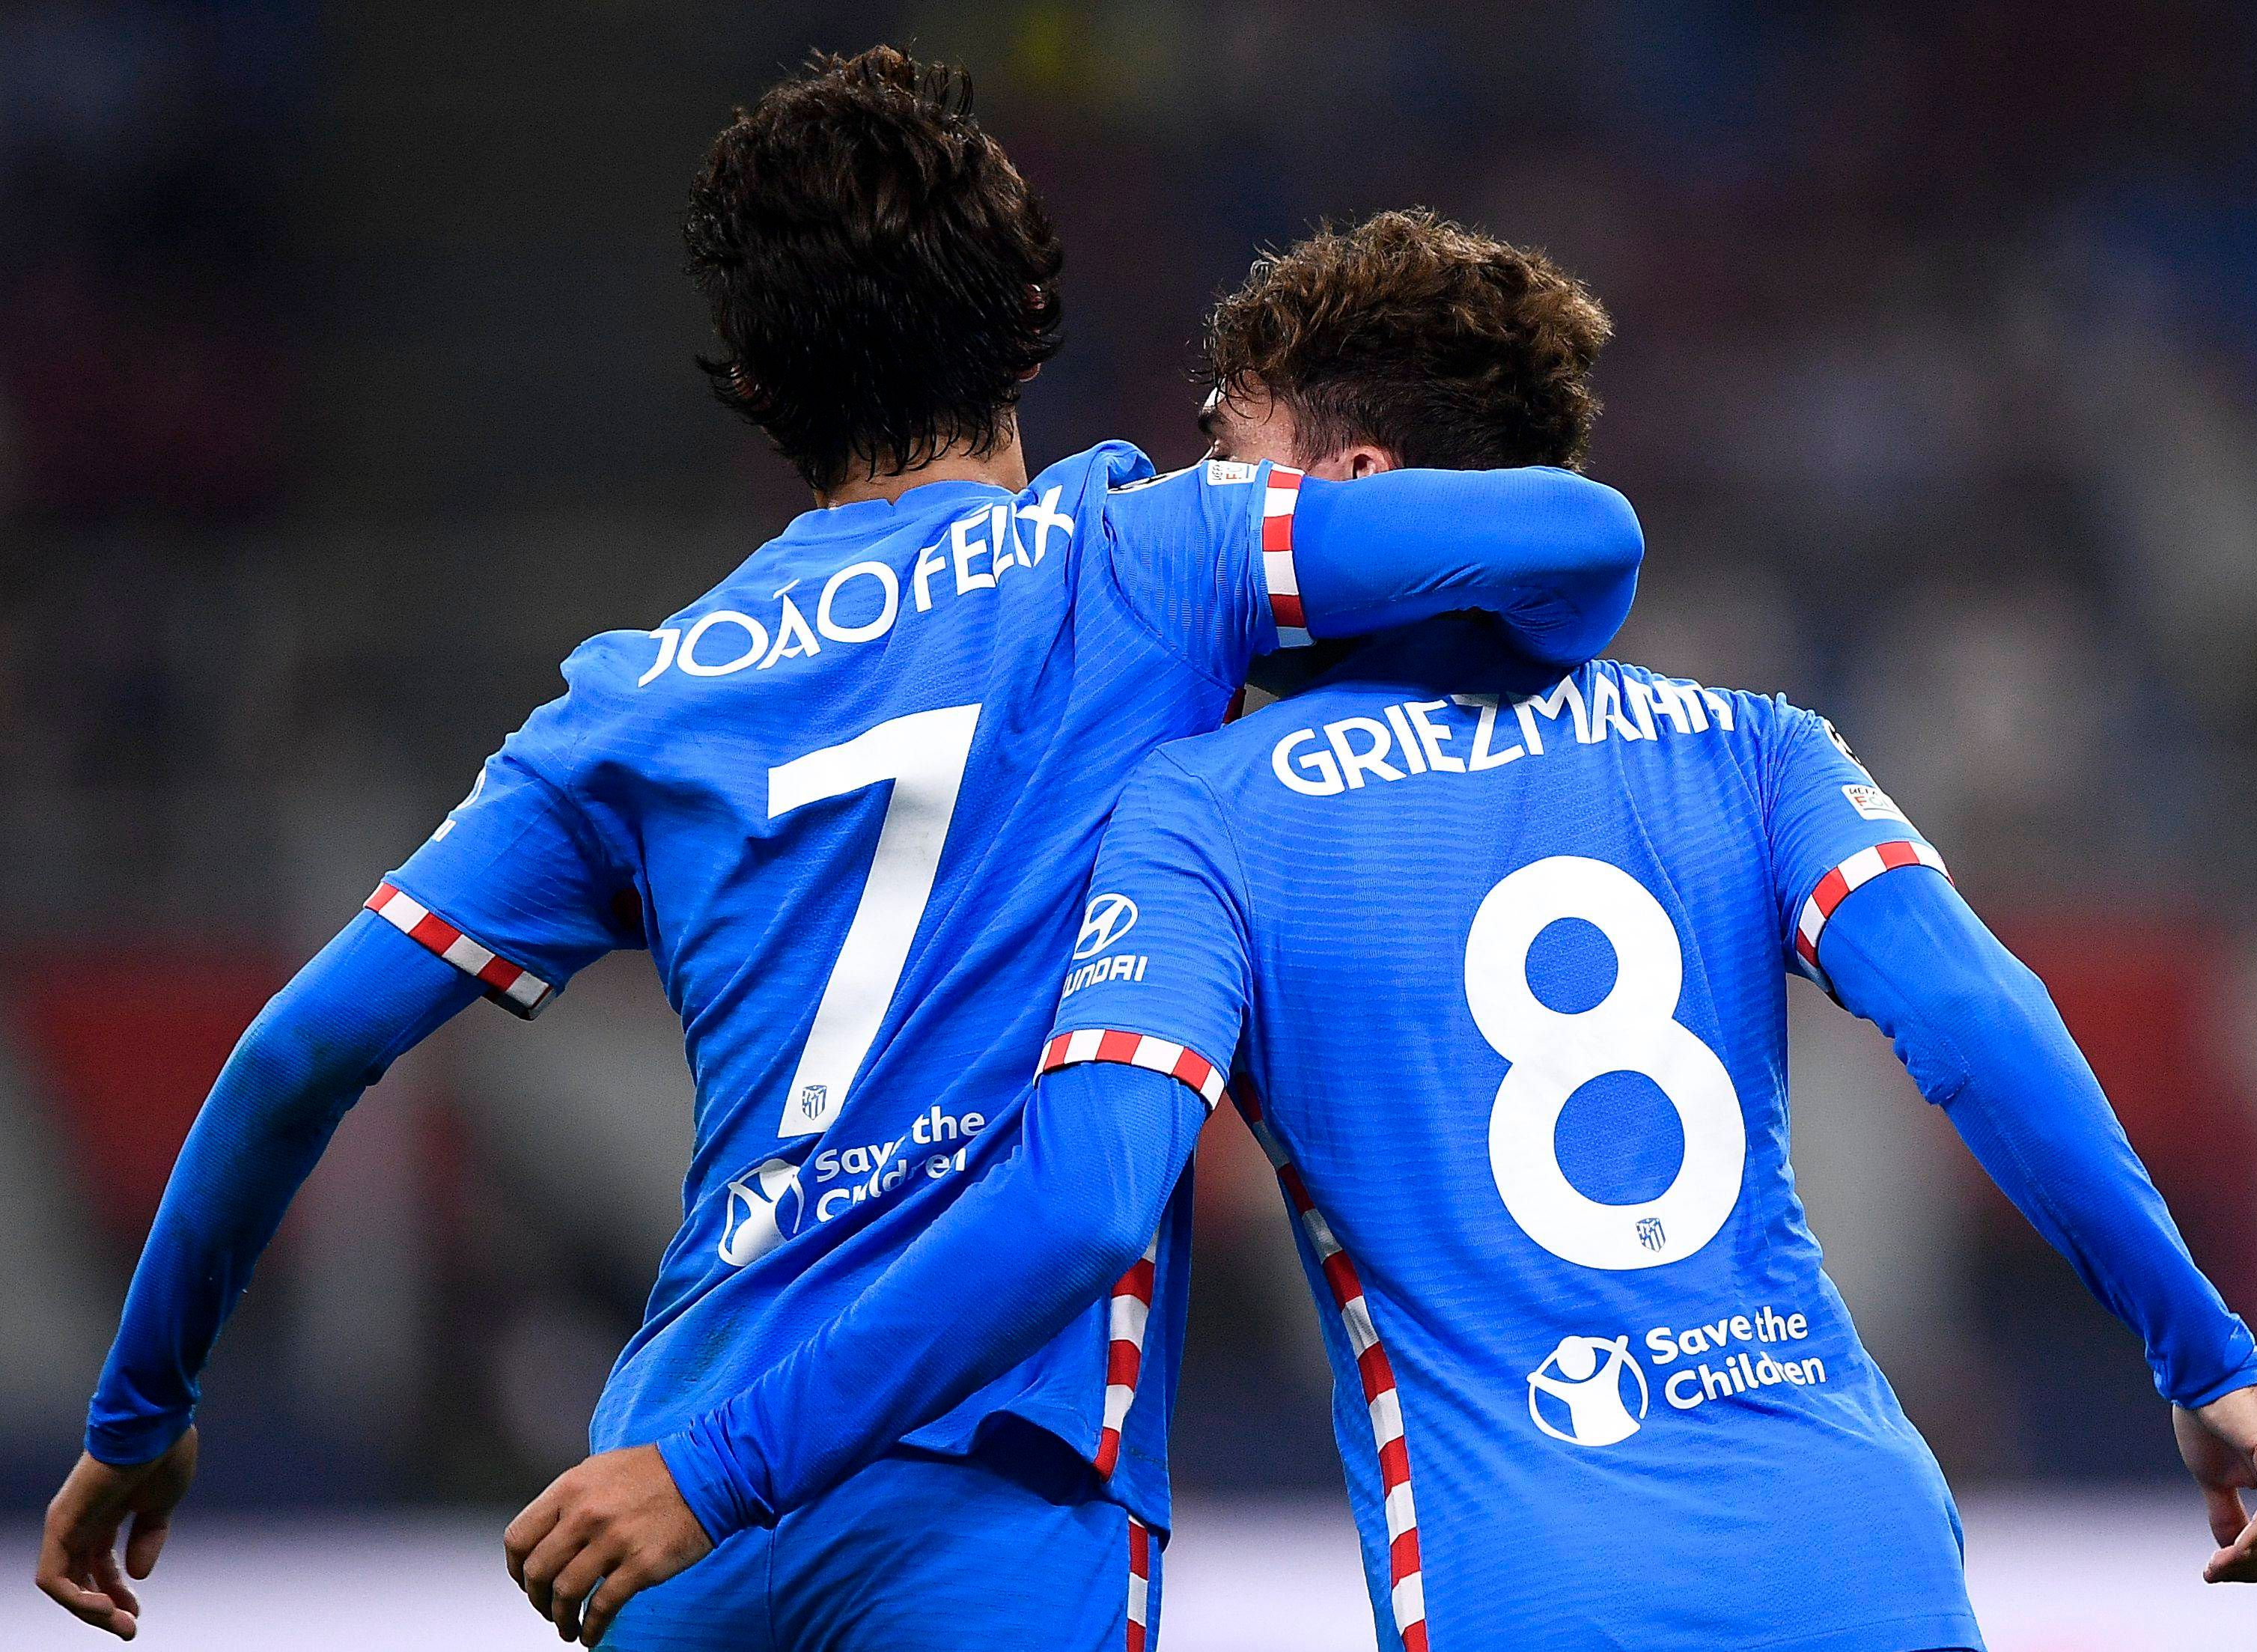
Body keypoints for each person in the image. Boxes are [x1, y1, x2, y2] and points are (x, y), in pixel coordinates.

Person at [33, 52, 1642, 1652]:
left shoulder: (631, 704)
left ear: (754, 384)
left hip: (672, 1505)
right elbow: (1570, 542)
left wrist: (141, 1412)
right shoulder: (1149, 553)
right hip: (993, 1481)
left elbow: (296, 1054)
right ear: (1025, 321)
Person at [665, 212, 2257, 1651]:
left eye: (1230, 460)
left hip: (1531, 1582)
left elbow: (1082, 1194)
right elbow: (1979, 1022)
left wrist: (722, 1457)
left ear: (1351, 491)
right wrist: (2198, 1351)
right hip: (1859, 1547)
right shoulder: (1745, 742)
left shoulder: (1204, 814)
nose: (1201, 512)